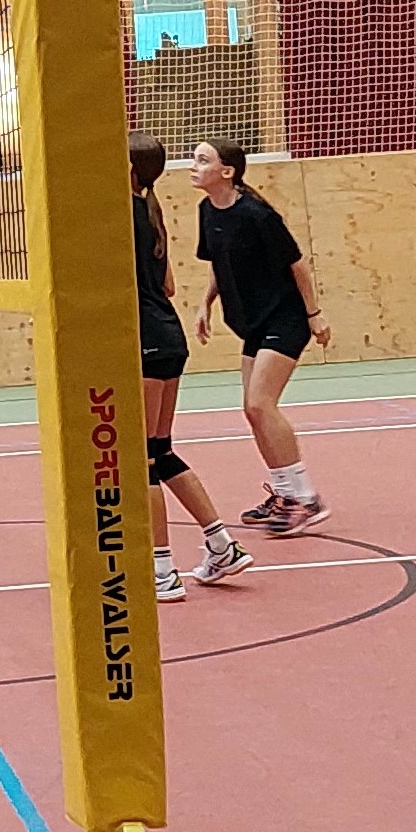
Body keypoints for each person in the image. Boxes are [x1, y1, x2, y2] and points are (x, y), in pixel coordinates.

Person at [130, 132, 254, 599]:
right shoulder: (150, 211)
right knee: (161, 451)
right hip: (168, 336)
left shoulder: (122, 216)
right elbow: (168, 287)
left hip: (146, 341)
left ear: (128, 170)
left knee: (142, 459)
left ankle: (161, 571)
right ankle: (221, 546)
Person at [190, 138, 331, 534]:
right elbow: (218, 263)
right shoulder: (207, 211)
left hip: (284, 319)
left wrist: (314, 314)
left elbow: (297, 266)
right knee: (251, 411)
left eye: (203, 160)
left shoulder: (257, 215)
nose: (194, 166)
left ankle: (306, 499)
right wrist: (205, 304)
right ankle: (285, 494)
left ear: (227, 171)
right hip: (252, 323)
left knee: (261, 403)